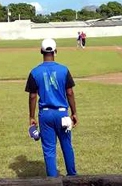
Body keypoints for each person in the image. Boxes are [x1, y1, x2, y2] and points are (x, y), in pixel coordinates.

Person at [25, 38, 78, 177]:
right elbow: (70, 92)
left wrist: (31, 116)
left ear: (41, 51)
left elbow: (32, 96)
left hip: (46, 115)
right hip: (62, 114)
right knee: (67, 146)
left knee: (49, 150)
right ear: (56, 51)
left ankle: (52, 181)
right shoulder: (64, 70)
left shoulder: (34, 72)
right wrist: (74, 113)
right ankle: (72, 176)